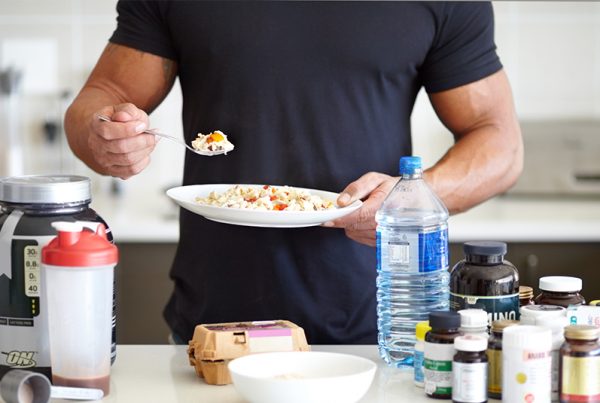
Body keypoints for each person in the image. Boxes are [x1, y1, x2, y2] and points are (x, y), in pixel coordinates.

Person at [64, 1, 523, 344]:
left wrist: (410, 201)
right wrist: (102, 132)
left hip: (375, 331)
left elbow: (500, 143)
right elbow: (102, 97)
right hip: (212, 330)